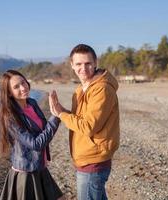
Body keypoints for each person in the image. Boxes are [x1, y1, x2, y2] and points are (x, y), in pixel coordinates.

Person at [49, 44, 120, 200]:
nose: (84, 68)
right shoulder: (80, 90)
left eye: (88, 63)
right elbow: (81, 120)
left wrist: (61, 114)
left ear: (95, 63)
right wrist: (62, 110)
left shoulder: (102, 89)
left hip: (93, 160)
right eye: (79, 64)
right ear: (72, 65)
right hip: (86, 158)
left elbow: (88, 127)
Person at [0, 70, 63, 200]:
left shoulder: (32, 103)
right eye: (16, 87)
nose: (23, 88)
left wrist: (58, 112)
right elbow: (35, 144)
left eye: (23, 82)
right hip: (26, 172)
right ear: (9, 92)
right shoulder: (10, 116)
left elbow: (44, 130)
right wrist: (55, 117)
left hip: (40, 165)